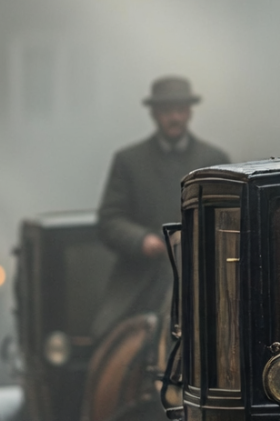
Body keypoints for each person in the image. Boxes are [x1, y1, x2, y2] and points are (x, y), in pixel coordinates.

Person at [93, 75, 227, 337]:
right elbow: (109, 219)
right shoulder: (128, 161)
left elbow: (229, 219)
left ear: (189, 112)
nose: (174, 117)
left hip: (204, 279)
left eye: (180, 110)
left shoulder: (214, 160)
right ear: (154, 114)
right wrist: (143, 240)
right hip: (142, 281)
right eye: (166, 111)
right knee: (106, 340)